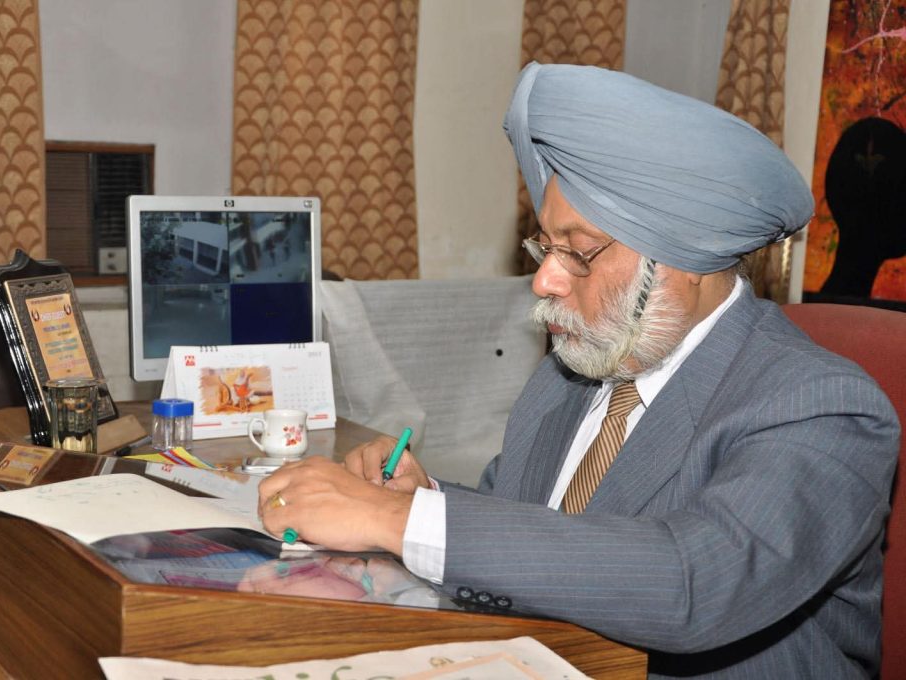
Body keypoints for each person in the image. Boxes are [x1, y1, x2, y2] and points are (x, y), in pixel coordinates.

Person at [256, 63, 900, 678]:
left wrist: (392, 522)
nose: (544, 278)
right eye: (546, 245)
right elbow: (544, 531)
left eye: (581, 252)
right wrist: (427, 500)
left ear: (691, 259)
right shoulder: (572, 376)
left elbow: (697, 580)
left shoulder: (822, 405)